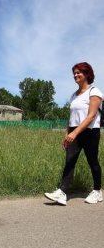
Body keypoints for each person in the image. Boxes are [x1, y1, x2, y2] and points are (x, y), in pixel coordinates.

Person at [45, 62, 103, 205]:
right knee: (69, 161)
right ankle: (62, 192)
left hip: (90, 132)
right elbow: (70, 118)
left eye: (79, 72)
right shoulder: (73, 95)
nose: (76, 75)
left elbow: (91, 116)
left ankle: (97, 191)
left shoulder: (94, 92)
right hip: (74, 131)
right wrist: (67, 134)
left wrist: (75, 133)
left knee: (93, 161)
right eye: (74, 73)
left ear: (87, 74)